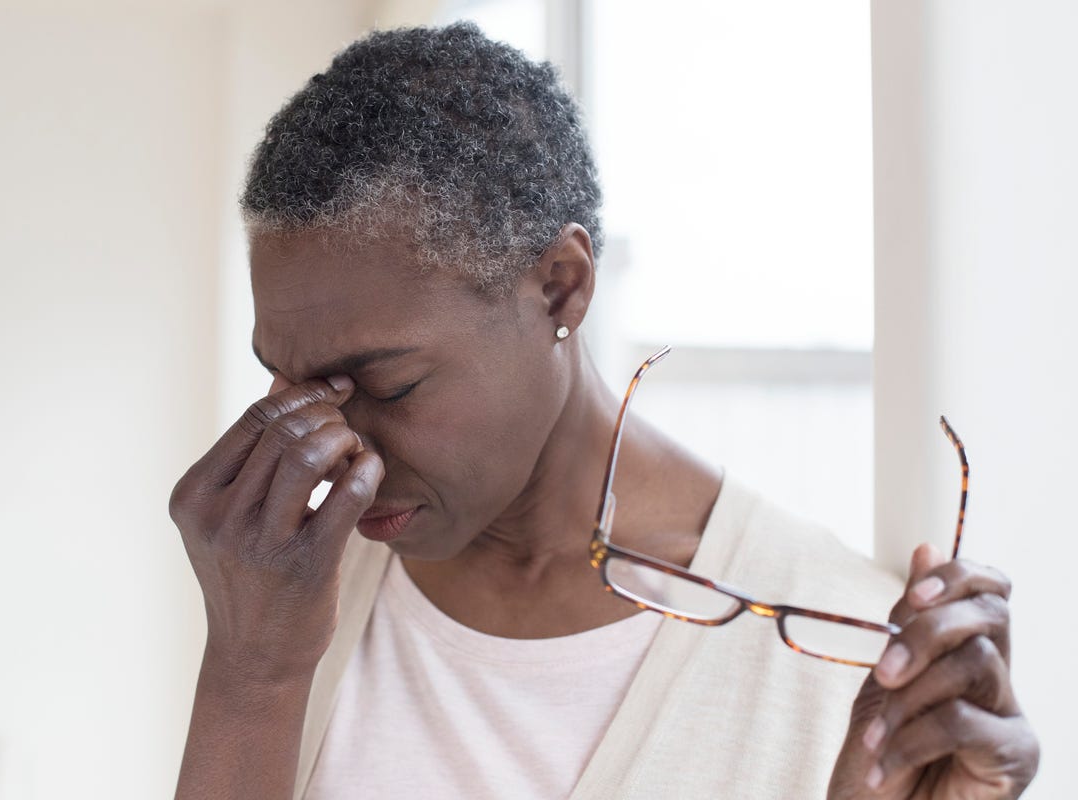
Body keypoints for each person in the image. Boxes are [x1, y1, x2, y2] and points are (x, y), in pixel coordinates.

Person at [168, 22, 1039, 799]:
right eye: (290, 390)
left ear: (561, 286)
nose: (332, 457)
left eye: (390, 386)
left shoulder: (839, 653)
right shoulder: (281, 597)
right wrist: (251, 679)